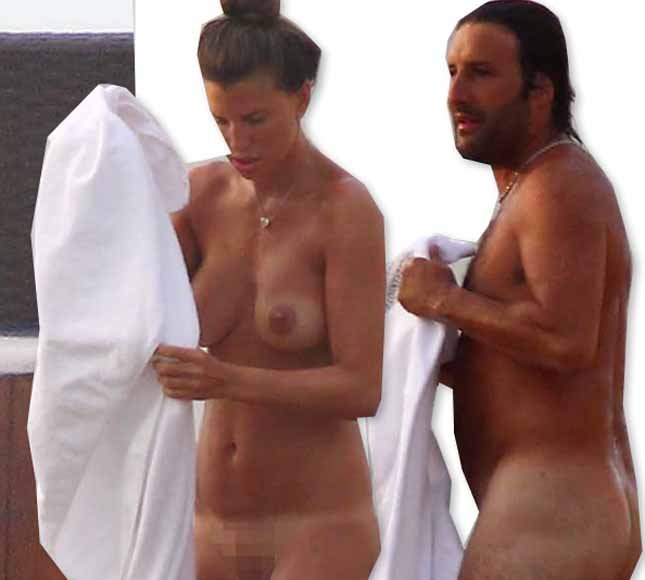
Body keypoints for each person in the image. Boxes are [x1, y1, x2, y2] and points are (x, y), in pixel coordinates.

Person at [398, 1, 641, 578]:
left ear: (541, 91)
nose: (457, 94)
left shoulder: (560, 184)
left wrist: (443, 300)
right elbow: (525, 366)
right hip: (554, 507)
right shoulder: (533, 187)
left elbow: (566, 340)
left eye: (481, 73)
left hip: (555, 509)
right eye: (452, 72)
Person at [152, 1, 384, 579]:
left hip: (319, 527)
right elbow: (133, 318)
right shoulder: (195, 196)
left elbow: (362, 388)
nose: (238, 141)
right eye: (222, 122)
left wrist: (226, 379)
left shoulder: (345, 211)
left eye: (255, 120)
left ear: (301, 98)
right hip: (209, 527)